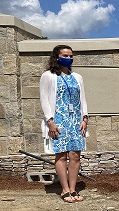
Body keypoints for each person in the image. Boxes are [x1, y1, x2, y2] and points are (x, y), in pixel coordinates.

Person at [39, 45, 89, 203]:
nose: (68, 58)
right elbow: (44, 99)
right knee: (61, 155)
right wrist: (50, 121)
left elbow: (83, 99)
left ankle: (73, 189)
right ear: (56, 57)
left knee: (75, 155)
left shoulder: (77, 77)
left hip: (75, 120)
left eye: (70, 56)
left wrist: (85, 118)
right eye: (65, 55)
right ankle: (65, 190)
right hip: (58, 120)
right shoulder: (48, 76)